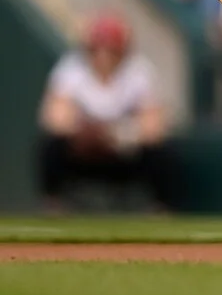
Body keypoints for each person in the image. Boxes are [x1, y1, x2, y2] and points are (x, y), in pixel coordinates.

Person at [38, 14, 177, 210]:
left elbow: (154, 126)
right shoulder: (71, 69)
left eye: (111, 50)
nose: (103, 57)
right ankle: (53, 206)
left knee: (162, 152)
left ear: (123, 51)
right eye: (98, 49)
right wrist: (87, 133)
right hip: (83, 153)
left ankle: (159, 210)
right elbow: (55, 118)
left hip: (124, 153)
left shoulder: (140, 71)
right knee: (51, 145)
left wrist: (120, 134)